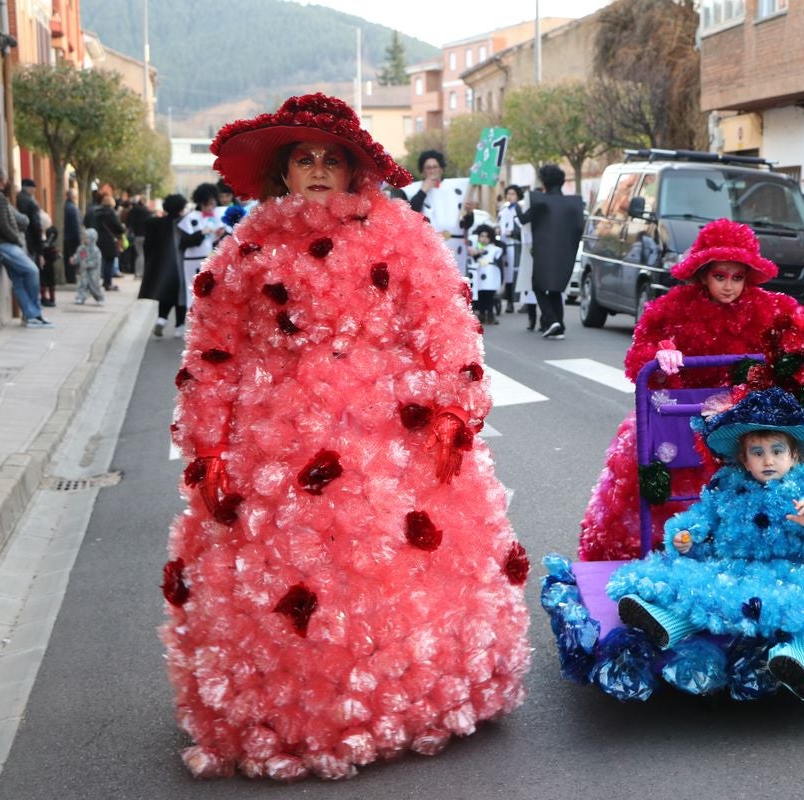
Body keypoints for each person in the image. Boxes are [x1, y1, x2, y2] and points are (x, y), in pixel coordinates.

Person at [162, 93, 530, 780]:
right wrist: (208, 446)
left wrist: (453, 404)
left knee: (385, 559)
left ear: (355, 168)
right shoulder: (247, 244)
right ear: (283, 172)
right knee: (291, 572)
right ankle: (300, 703)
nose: (320, 169)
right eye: (305, 158)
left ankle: (398, 692)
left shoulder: (398, 230)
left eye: (333, 158)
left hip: (386, 433)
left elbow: (442, 315)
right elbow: (214, 349)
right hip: (275, 440)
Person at [609, 387, 804, 697]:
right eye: (757, 453)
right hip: (741, 569)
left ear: (794, 454)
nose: (768, 461)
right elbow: (703, 522)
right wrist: (687, 539)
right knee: (703, 588)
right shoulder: (725, 486)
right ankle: (668, 623)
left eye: (777, 451)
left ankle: (798, 658)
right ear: (744, 459)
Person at [578, 218, 804, 561]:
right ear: (702, 274)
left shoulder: (769, 305)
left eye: (737, 277)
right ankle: (665, 550)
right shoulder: (672, 307)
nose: (729, 286)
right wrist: (660, 353)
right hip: (681, 421)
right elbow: (641, 353)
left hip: (746, 428)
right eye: (720, 276)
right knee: (662, 485)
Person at [516, 164, 583, 339]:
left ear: (544, 182)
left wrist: (516, 207)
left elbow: (524, 219)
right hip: (564, 252)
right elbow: (579, 228)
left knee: (538, 286)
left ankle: (551, 319)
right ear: (561, 182)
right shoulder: (574, 203)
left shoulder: (540, 201)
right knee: (555, 290)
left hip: (543, 252)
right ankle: (559, 325)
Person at [398, 149, 474, 275]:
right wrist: (423, 191)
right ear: (422, 171)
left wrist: (470, 213)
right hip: (427, 250)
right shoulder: (413, 190)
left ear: (441, 169)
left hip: (455, 249)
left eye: (435, 167)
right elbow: (410, 214)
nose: (432, 171)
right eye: (428, 168)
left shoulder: (455, 188)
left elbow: (467, 224)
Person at [0, 167, 54, 328]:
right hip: (6, 244)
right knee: (32, 271)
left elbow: (17, 219)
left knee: (18, 280)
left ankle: (30, 315)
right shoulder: (1, 198)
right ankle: (34, 313)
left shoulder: (4, 199)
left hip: (5, 243)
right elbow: (3, 224)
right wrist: (16, 239)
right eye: (7, 179)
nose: (8, 182)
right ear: (2, 180)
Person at [138, 194, 188, 337]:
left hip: (162, 267)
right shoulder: (183, 223)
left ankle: (162, 318)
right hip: (180, 267)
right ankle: (179, 326)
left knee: (164, 295)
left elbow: (148, 246)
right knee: (181, 297)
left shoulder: (155, 223)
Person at [177, 183, 226, 321]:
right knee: (192, 290)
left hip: (211, 258)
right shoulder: (191, 217)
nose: (210, 207)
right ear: (200, 202)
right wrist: (201, 233)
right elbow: (184, 242)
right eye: (207, 204)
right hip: (193, 259)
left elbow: (219, 240)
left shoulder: (217, 215)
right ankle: (194, 317)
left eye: (212, 204)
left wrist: (219, 234)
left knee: (211, 291)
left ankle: (208, 318)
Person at [495, 185, 524, 313]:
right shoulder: (503, 210)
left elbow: (523, 228)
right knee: (504, 273)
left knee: (512, 274)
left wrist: (512, 233)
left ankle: (511, 302)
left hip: (514, 245)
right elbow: (498, 224)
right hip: (503, 245)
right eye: (508, 194)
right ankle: (501, 299)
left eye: (512, 194)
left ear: (517, 196)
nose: (510, 196)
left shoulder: (520, 210)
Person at [467, 223, 502, 325]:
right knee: (481, 296)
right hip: (480, 276)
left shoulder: (495, 249)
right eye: (482, 236)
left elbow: (499, 257)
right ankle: (482, 314)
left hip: (490, 276)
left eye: (487, 236)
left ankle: (490, 314)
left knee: (490, 296)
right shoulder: (476, 249)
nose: (484, 239)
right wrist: (477, 252)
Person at [91, 194, 125, 292]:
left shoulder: (96, 213)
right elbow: (118, 227)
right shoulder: (111, 213)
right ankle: (107, 283)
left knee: (100, 261)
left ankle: (97, 281)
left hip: (98, 239)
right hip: (109, 240)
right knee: (109, 262)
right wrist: (122, 228)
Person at [70, 228, 105, 305]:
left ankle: (99, 297)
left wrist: (89, 264)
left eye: (86, 237)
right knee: (83, 284)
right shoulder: (81, 248)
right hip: (84, 271)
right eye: (84, 237)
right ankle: (80, 297)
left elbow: (96, 261)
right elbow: (78, 256)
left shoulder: (96, 250)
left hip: (93, 272)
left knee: (94, 285)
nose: (84, 239)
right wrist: (74, 260)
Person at [127, 196, 152, 278]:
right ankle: (140, 272)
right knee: (142, 254)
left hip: (135, 235)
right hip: (144, 235)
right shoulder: (146, 212)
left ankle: (137, 271)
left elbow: (128, 222)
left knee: (139, 254)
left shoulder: (133, 212)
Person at [63, 189, 81, 284]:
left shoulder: (66, 206)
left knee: (68, 258)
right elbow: (76, 224)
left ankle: (70, 277)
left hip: (67, 236)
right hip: (72, 237)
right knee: (72, 258)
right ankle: (71, 278)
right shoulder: (72, 208)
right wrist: (79, 237)